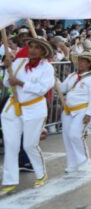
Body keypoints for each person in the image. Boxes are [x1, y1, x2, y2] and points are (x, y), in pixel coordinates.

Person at [1, 37, 56, 195]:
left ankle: (41, 174)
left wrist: (21, 83)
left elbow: (42, 89)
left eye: (37, 47)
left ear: (43, 51)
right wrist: (7, 68)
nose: (32, 50)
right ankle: (10, 180)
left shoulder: (47, 68)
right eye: (31, 46)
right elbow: (7, 82)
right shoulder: (18, 63)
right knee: (11, 145)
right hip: (13, 108)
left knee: (29, 145)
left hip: (34, 109)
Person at [59, 53, 91, 173]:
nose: (80, 63)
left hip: (83, 111)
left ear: (89, 64)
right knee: (67, 137)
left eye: (83, 61)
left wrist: (89, 114)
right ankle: (72, 164)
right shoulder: (72, 76)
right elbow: (62, 89)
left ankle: (84, 160)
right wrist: (54, 79)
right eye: (79, 60)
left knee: (75, 135)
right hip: (68, 111)